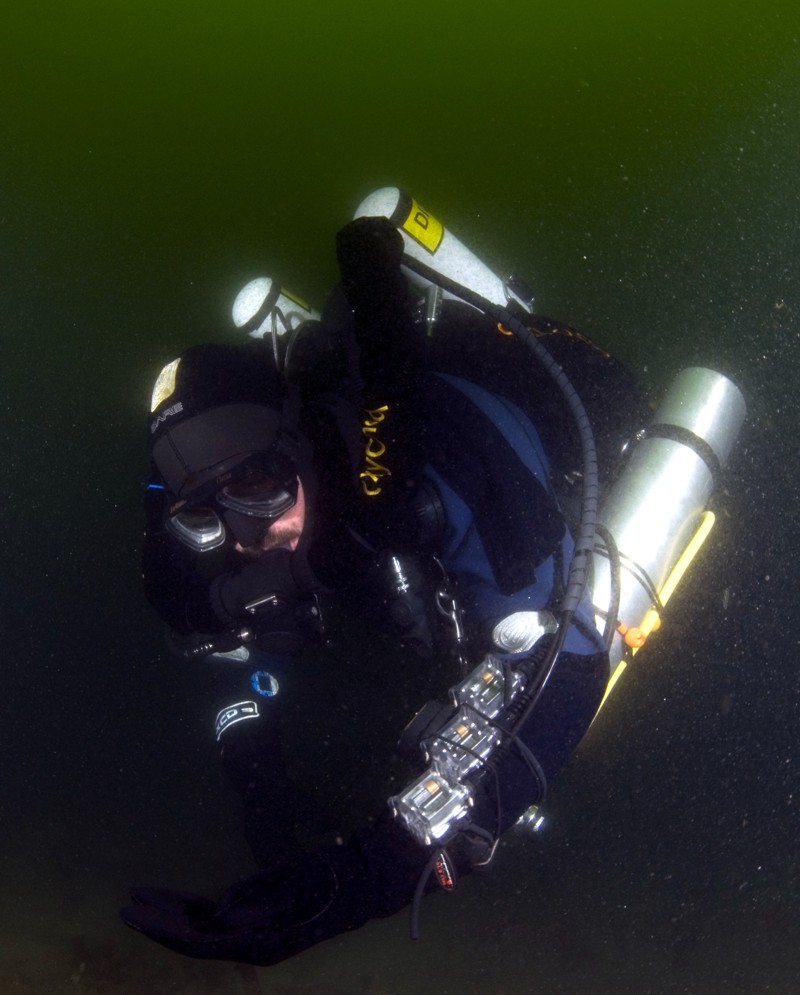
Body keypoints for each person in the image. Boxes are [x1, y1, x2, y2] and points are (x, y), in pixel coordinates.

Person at [121, 216, 643, 965]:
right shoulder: (271, 512)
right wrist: (258, 777)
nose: (245, 539)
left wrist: (368, 876)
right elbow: (217, 637)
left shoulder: (454, 469)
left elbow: (573, 663)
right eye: (207, 514)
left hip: (540, 452)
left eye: (259, 487)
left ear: (300, 442)